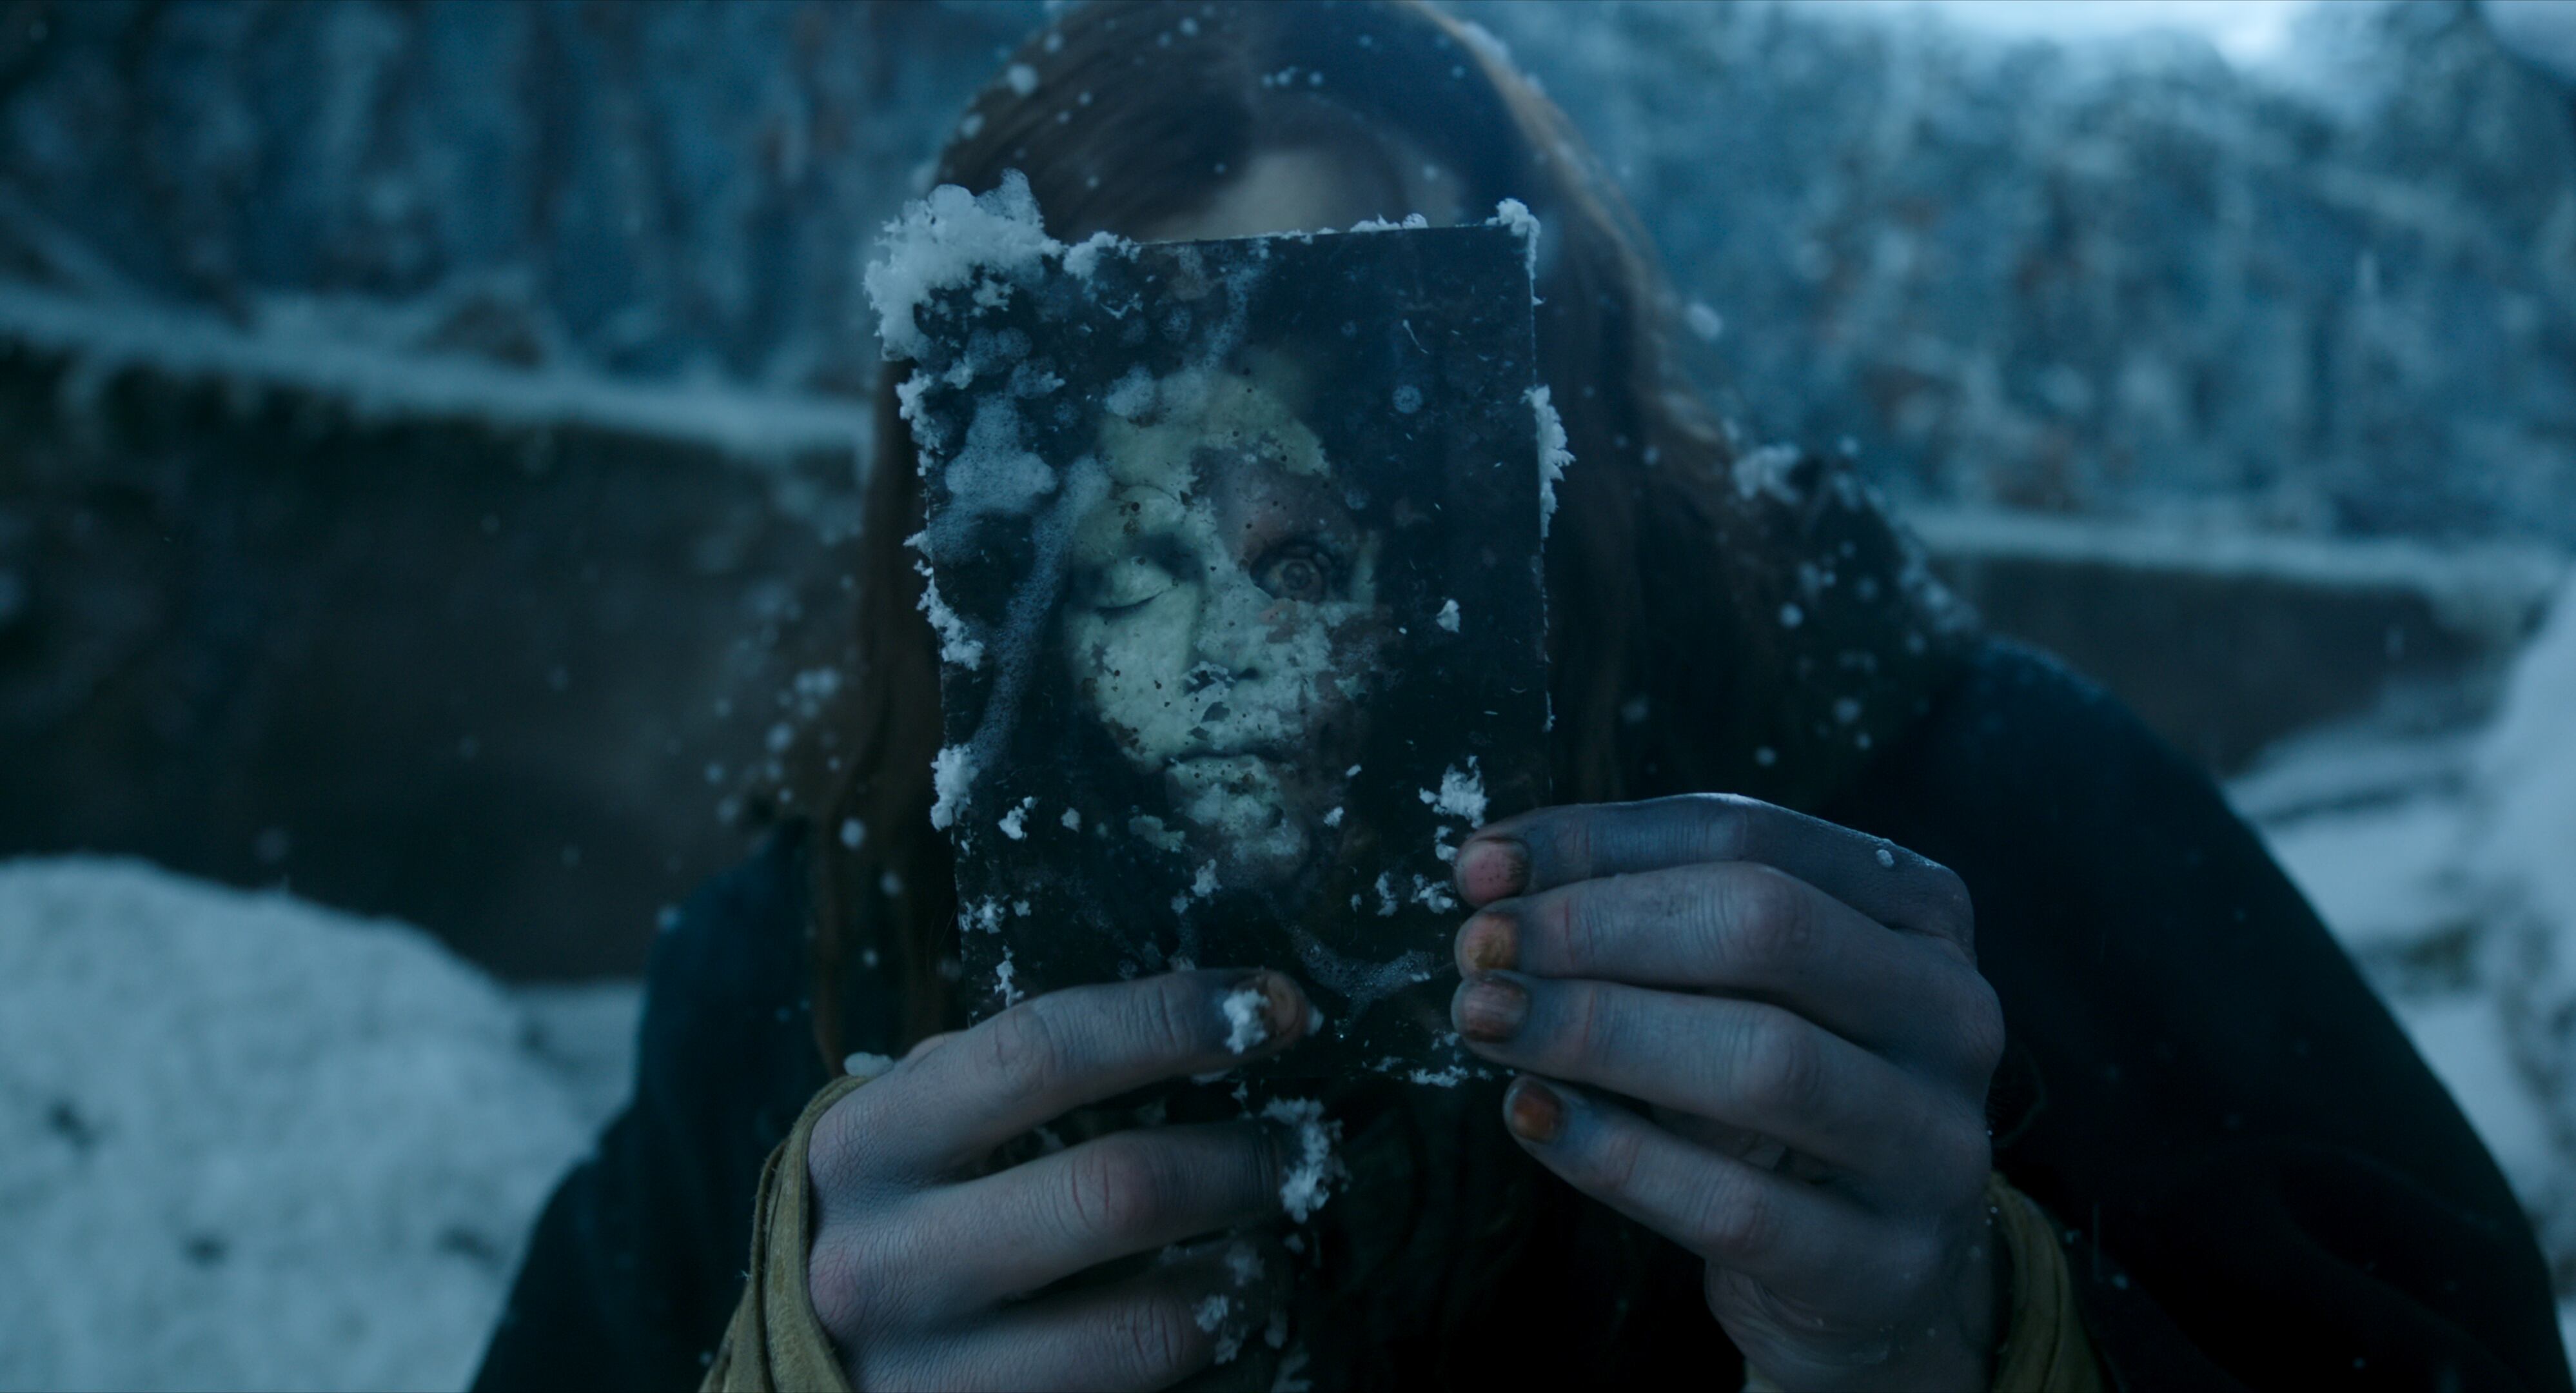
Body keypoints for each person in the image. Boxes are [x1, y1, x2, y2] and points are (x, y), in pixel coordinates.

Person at [470, 4, 2573, 1390]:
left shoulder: (1964, 804)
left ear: (1561, 450)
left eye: (1326, 536)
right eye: (1116, 570)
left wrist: (1975, 1337)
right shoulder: (813, 963)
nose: (1214, 649)